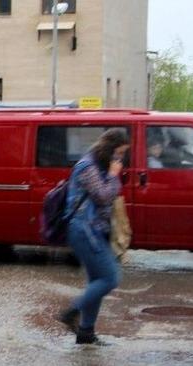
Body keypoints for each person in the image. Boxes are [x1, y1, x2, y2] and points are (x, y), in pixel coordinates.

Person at [58, 129, 129, 344]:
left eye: (122, 154)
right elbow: (103, 195)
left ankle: (86, 332)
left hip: (95, 230)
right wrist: (113, 175)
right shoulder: (88, 166)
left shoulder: (97, 164)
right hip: (84, 230)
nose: (120, 158)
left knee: (97, 280)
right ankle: (72, 311)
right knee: (110, 278)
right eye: (118, 153)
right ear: (109, 149)